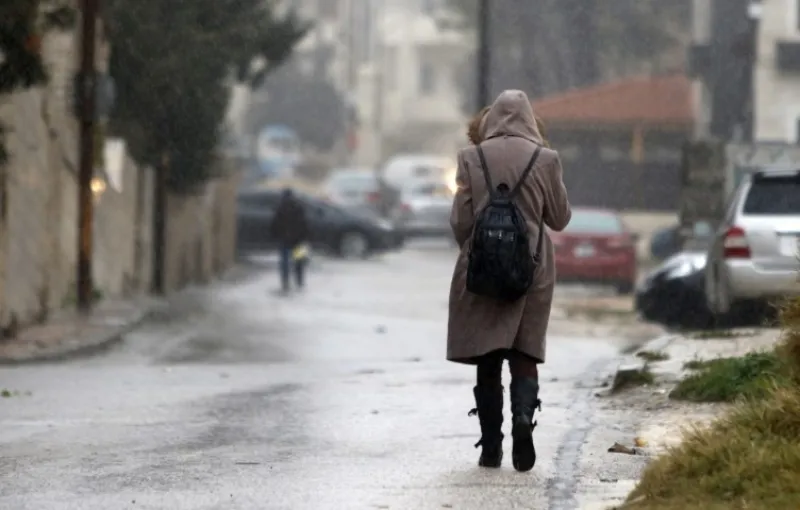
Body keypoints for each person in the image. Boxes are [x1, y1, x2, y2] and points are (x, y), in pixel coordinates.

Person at [448, 90, 572, 472]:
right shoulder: (546, 159)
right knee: (523, 353)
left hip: (483, 269)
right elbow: (560, 218)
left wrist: (478, 249)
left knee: (487, 356)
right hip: (531, 270)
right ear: (530, 119)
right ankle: (523, 420)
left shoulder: (471, 157)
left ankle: (491, 446)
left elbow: (461, 220)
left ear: (491, 120)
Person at [270, 188, 310, 293]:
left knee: (284, 262)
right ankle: (299, 281)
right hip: (299, 240)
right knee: (299, 261)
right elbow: (304, 223)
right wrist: (305, 237)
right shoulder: (299, 207)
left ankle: (285, 282)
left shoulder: (280, 207)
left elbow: (275, 224)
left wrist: (275, 235)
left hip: (285, 239)